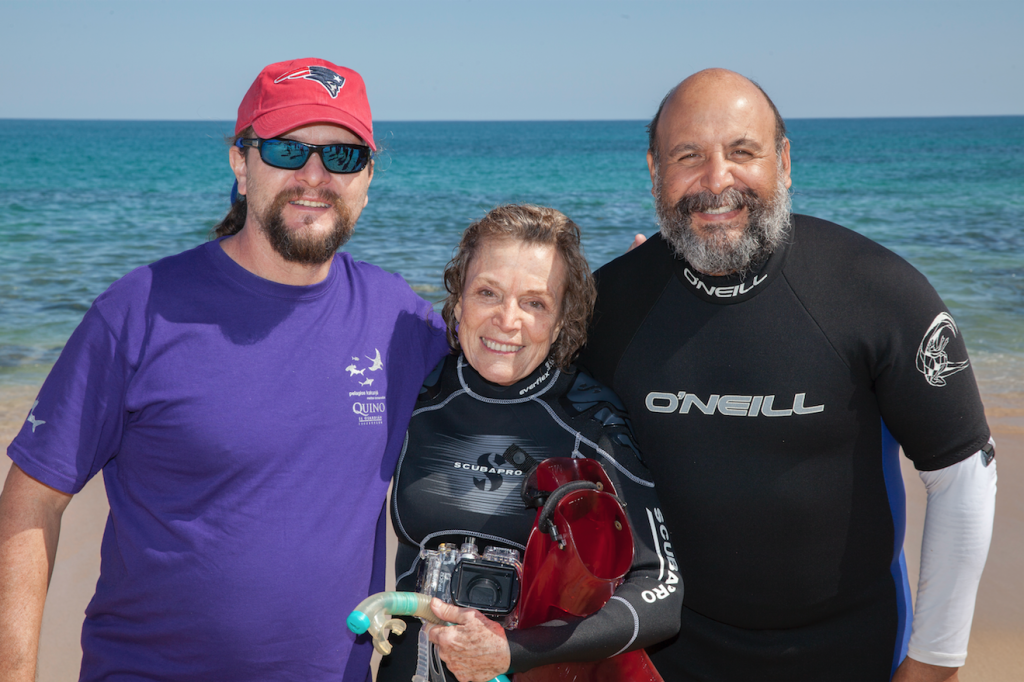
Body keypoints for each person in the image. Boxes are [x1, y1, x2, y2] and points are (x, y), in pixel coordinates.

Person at [0, 58, 449, 681]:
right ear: (241, 164)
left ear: (368, 179)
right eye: (288, 151)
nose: (315, 175)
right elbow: (31, 500)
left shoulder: (402, 323)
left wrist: (618, 299)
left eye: (343, 157)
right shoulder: (139, 309)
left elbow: (518, 368)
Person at [579, 69, 997, 682]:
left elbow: (963, 474)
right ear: (654, 169)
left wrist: (934, 660)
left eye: (742, 151)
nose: (716, 180)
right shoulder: (607, 305)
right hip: (665, 654)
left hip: (849, 651)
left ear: (784, 160)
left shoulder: (877, 292)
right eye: (687, 156)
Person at [377, 205, 682, 682]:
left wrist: (513, 650)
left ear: (561, 320)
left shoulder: (590, 421)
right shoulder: (414, 396)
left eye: (535, 303)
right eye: (487, 293)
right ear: (458, 302)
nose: (507, 319)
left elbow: (662, 592)